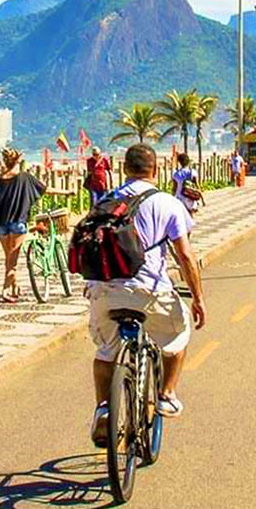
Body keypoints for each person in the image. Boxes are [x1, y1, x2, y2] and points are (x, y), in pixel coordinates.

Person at [87, 144, 207, 445]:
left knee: (105, 352)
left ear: (124, 169)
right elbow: (185, 256)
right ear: (155, 171)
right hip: (150, 291)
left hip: (106, 292)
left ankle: (104, 408)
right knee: (178, 336)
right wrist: (198, 299)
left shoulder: (105, 200)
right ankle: (166, 394)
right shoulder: (167, 203)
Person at [0, 148, 46, 303]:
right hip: (18, 222)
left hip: (0, 224)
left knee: (9, 258)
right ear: (19, 160)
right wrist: (66, 193)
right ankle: (5, 291)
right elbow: (44, 189)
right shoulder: (25, 177)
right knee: (12, 261)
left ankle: (15, 286)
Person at [171, 152, 201, 216]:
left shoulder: (176, 174)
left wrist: (172, 198)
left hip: (180, 197)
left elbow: (174, 188)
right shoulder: (193, 172)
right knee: (190, 216)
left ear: (179, 163)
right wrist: (201, 199)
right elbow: (197, 186)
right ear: (188, 162)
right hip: (190, 197)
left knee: (181, 217)